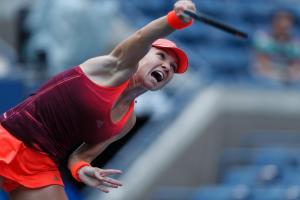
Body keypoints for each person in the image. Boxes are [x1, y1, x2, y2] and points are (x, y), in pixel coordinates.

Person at [0, 0, 196, 199]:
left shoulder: (127, 122)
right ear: (141, 55)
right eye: (161, 56)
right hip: (8, 137)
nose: (166, 66)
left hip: (40, 164)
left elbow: (81, 156)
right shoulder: (111, 69)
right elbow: (141, 37)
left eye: (172, 67)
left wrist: (82, 169)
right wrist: (174, 19)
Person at [252, 9, 300, 85]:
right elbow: (261, 67)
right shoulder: (263, 39)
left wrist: (285, 75)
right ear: (274, 22)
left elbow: (297, 68)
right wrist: (282, 74)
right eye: (280, 21)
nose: (283, 25)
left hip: (289, 82)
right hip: (264, 82)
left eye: (287, 22)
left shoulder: (296, 43)